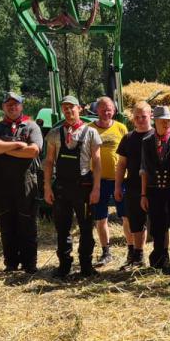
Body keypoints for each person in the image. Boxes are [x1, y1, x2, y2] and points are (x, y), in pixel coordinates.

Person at [0, 92, 44, 275]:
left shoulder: (31, 126)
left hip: (26, 182)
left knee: (27, 223)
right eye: (8, 104)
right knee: (5, 223)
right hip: (1, 184)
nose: (12, 107)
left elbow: (33, 151)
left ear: (21, 106)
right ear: (3, 107)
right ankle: (11, 263)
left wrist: (4, 148)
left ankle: (29, 264)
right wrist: (18, 145)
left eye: (15, 104)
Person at [43, 95, 102, 279]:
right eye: (65, 108)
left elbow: (97, 162)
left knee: (86, 228)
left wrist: (96, 188)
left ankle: (86, 266)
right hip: (61, 188)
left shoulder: (91, 133)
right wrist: (47, 187)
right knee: (62, 228)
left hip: (83, 187)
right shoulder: (54, 133)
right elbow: (49, 161)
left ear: (80, 109)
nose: (68, 111)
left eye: (72, 108)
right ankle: (64, 266)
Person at [141, 105, 170, 272]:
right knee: (158, 227)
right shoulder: (147, 142)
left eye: (168, 121)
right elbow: (143, 169)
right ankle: (160, 260)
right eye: (163, 121)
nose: (166, 124)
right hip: (154, 191)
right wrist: (143, 194)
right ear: (155, 121)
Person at [114, 101, 152, 269]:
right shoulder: (128, 138)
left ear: (150, 115)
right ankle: (137, 256)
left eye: (143, 116)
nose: (140, 120)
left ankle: (161, 256)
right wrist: (117, 186)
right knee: (135, 222)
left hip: (156, 187)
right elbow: (121, 164)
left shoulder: (157, 136)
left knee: (159, 223)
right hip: (133, 186)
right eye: (136, 117)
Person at [90, 97, 127, 267]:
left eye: (110, 109)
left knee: (126, 216)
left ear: (114, 110)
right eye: (103, 109)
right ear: (97, 110)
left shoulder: (121, 128)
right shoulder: (89, 129)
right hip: (99, 181)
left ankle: (132, 251)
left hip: (120, 180)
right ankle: (106, 251)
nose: (107, 112)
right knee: (101, 218)